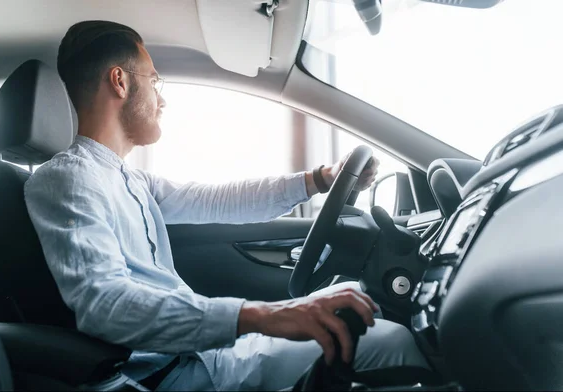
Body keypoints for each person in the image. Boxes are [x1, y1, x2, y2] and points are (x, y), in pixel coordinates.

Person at [24, 20, 429, 391]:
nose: (161, 99)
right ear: (119, 81)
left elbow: (220, 200)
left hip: (203, 354)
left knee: (357, 298)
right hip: (178, 375)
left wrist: (318, 179)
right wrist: (265, 316)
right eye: (154, 80)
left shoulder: (128, 179)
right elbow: (104, 306)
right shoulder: (69, 179)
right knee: (388, 339)